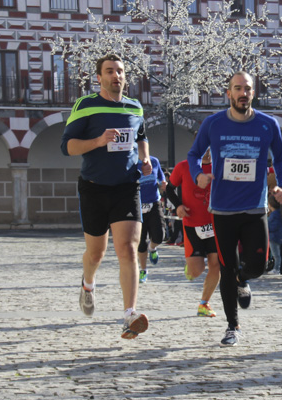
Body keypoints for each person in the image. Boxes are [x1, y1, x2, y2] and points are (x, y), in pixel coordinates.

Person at [187, 71, 282, 346]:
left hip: (255, 208)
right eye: (238, 89)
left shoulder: (268, 124)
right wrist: (198, 174)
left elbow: (280, 158)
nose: (243, 93)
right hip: (222, 209)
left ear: (254, 93)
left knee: (259, 265)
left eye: (248, 89)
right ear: (228, 93)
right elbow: (194, 154)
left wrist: (281, 185)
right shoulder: (213, 123)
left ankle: (245, 278)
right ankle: (233, 326)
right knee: (226, 267)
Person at [60, 53, 151, 339]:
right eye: (109, 71)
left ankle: (129, 315)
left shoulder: (135, 107)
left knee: (127, 248)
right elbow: (67, 147)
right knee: (96, 253)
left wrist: (145, 158)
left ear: (126, 76)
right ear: (99, 77)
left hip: (127, 186)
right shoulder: (86, 106)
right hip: (94, 187)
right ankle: (88, 283)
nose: (116, 76)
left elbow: (141, 136)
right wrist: (99, 141)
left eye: (120, 71)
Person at [167, 149, 221, 317]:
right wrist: (178, 206)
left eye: (209, 147)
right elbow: (169, 189)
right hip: (192, 224)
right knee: (196, 271)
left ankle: (204, 304)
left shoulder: (219, 167)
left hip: (215, 224)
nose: (207, 152)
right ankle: (190, 268)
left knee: (216, 265)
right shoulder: (183, 167)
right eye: (203, 148)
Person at [136, 155, 167, 283]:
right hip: (137, 205)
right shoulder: (131, 163)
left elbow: (160, 175)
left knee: (160, 235)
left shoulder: (154, 161)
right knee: (141, 242)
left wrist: (163, 182)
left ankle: (153, 248)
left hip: (154, 203)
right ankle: (143, 270)